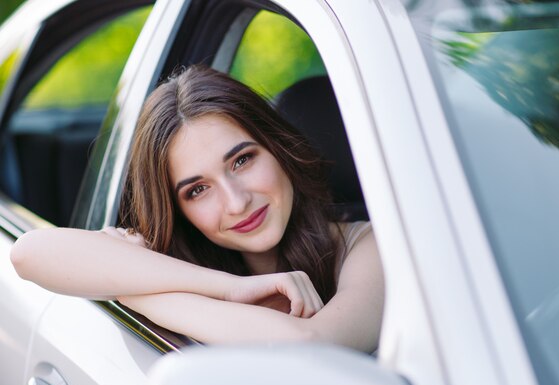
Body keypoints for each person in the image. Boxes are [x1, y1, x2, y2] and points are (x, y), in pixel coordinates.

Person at [10, 65, 384, 353]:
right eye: (198, 190)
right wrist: (231, 289)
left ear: (278, 147)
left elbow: (313, 346)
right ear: (177, 207)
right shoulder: (175, 257)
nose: (237, 202)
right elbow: (29, 253)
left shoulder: (369, 246)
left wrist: (131, 291)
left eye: (242, 161)